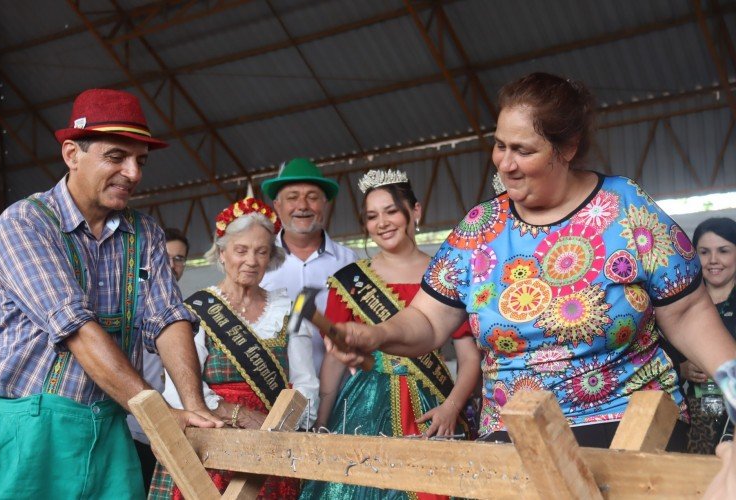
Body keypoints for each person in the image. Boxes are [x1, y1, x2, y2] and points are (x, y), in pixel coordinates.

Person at [328, 72, 736, 449]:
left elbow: (688, 315)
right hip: (514, 434)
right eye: (500, 145)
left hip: (629, 425)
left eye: (523, 150)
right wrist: (377, 335)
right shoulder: (480, 228)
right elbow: (429, 320)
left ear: (567, 148)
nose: (505, 163)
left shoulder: (626, 209)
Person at [0, 88, 222, 499]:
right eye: (116, 157)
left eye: (140, 160)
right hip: (27, 423)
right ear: (72, 154)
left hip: (108, 419)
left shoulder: (146, 233)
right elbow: (76, 329)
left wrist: (194, 408)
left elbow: (170, 318)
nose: (134, 173)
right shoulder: (26, 223)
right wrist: (158, 416)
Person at [299, 170, 480, 500]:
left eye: (391, 211)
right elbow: (334, 361)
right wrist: (321, 425)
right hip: (363, 407)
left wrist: (451, 407)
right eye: (371, 216)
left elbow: (469, 357)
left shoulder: (448, 276)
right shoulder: (349, 281)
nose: (382, 222)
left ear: (416, 211)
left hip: (433, 405)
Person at [149, 196, 318, 499]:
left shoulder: (292, 309)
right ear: (222, 252)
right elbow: (177, 386)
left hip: (272, 446)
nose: (251, 261)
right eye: (241, 250)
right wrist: (236, 415)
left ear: (272, 257)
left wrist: (279, 428)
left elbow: (306, 382)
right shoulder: (195, 309)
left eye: (261, 251)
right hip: (211, 441)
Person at [260, 158, 357, 375]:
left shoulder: (349, 262)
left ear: (325, 203)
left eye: (312, 198)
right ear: (277, 205)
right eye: (292, 198)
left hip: (338, 388)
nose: (302, 206)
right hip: (274, 390)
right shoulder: (259, 260)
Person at [128, 226, 192, 492]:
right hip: (135, 426)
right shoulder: (132, 305)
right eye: (166, 257)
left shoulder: (185, 311)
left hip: (175, 426)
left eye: (179, 259)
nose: (172, 265)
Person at [675, 218, 736, 453]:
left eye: (723, 251)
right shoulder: (678, 305)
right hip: (695, 416)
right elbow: (656, 357)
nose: (713, 260)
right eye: (704, 252)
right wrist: (682, 368)